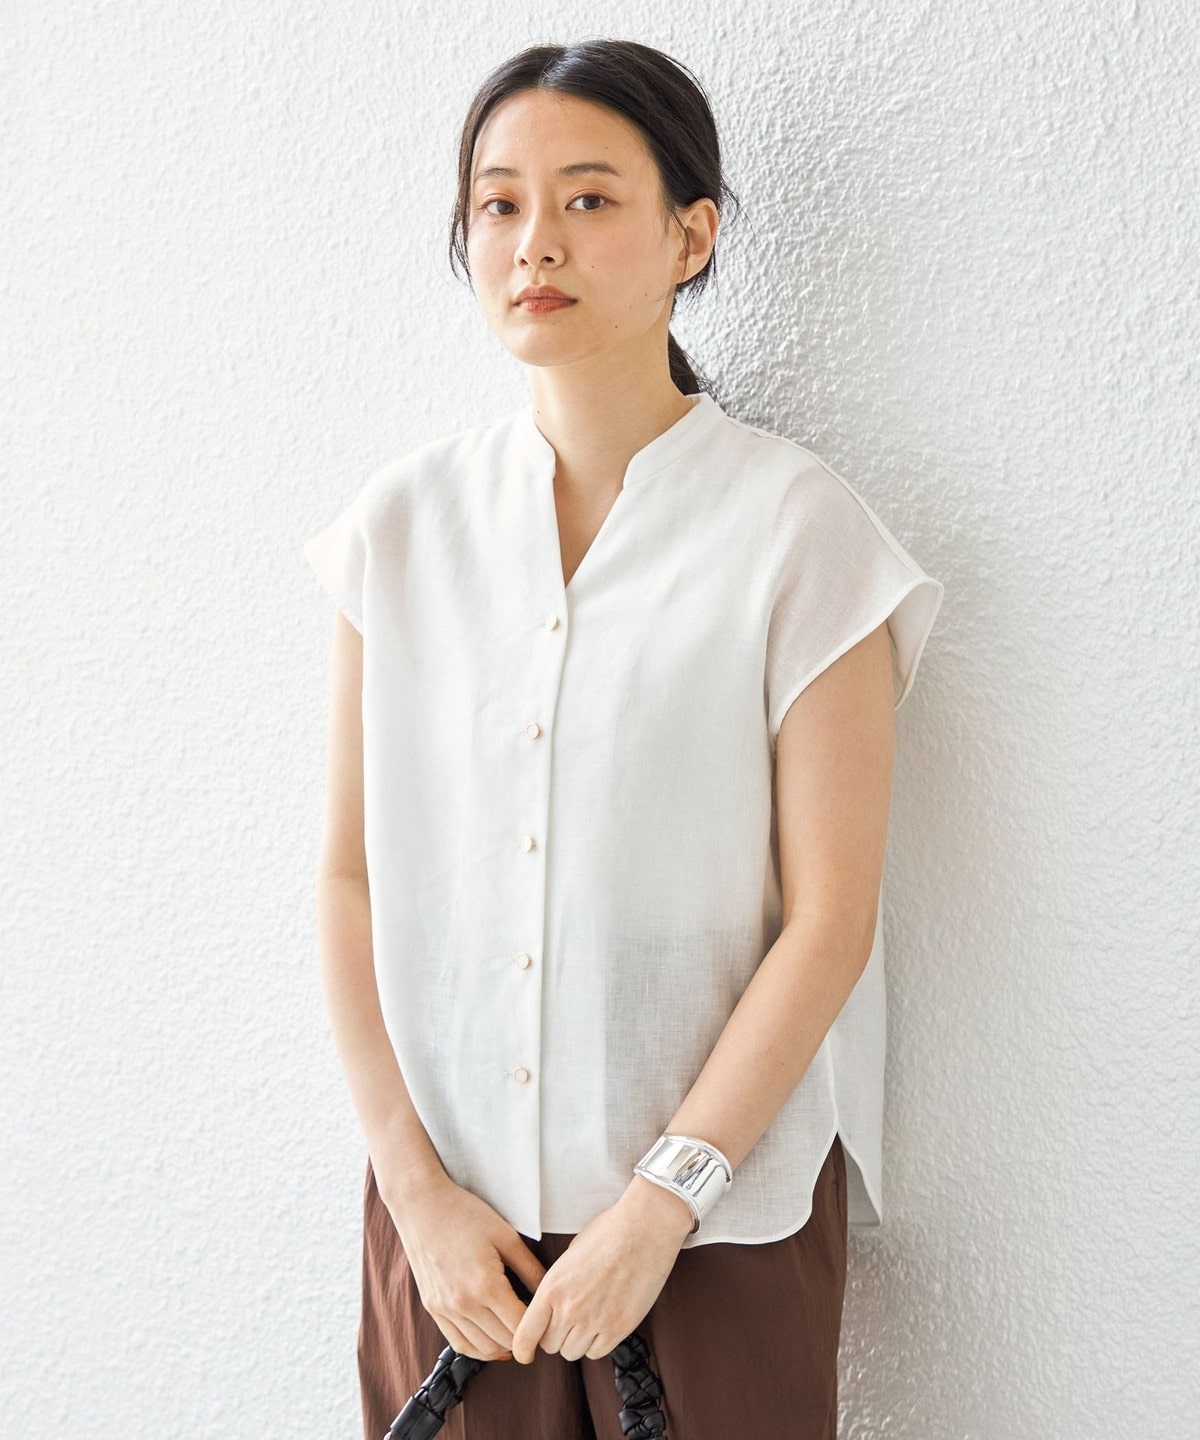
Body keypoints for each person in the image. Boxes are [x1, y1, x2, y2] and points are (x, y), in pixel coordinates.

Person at [303, 37, 944, 1440]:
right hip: (455, 1246)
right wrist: (415, 1195)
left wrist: (663, 1205)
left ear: (690, 236)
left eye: (589, 199)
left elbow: (830, 919)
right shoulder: (397, 533)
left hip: (722, 1241)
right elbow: (350, 883)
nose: (535, 241)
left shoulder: (798, 531)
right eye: (499, 203)